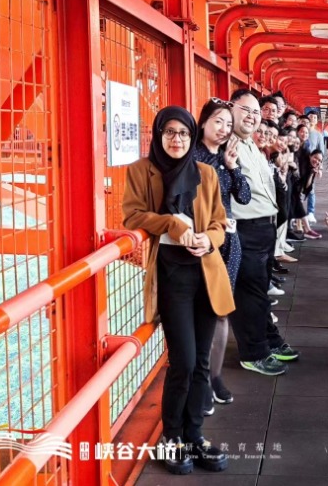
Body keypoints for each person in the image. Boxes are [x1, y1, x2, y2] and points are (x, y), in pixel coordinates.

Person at [122, 106, 229, 474]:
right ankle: (171, 436)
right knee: (183, 360)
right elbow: (133, 215)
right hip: (171, 275)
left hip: (205, 273)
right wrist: (171, 223)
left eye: (183, 133)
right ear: (158, 135)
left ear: (191, 136)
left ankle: (194, 434)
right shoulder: (142, 170)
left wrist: (208, 240)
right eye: (169, 132)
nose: (176, 139)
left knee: (201, 361)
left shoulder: (206, 173)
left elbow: (220, 223)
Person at [228, 89, 299, 377]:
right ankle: (253, 352)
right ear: (231, 109)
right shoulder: (228, 143)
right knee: (249, 295)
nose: (252, 116)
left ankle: (268, 339)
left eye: (256, 112)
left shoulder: (251, 145)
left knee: (259, 292)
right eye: (246, 110)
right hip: (245, 228)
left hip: (264, 227)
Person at [194, 98, 251, 408]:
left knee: (220, 311)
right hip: (202, 243)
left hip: (229, 245)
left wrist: (232, 167)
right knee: (201, 312)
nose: (224, 129)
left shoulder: (227, 156)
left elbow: (244, 196)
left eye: (229, 124)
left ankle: (215, 376)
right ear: (203, 122)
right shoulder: (191, 157)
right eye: (218, 121)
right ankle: (201, 380)